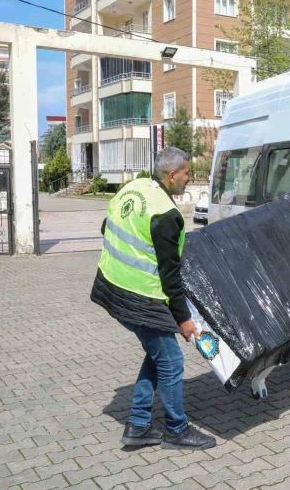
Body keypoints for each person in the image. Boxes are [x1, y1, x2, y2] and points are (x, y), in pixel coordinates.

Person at [90, 146, 216, 450]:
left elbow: (107, 227)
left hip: (110, 285)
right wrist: (184, 320)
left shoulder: (132, 189)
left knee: (157, 353)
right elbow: (170, 275)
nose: (190, 178)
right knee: (171, 359)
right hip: (139, 296)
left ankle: (138, 425)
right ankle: (176, 429)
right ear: (172, 175)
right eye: (187, 173)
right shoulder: (166, 214)